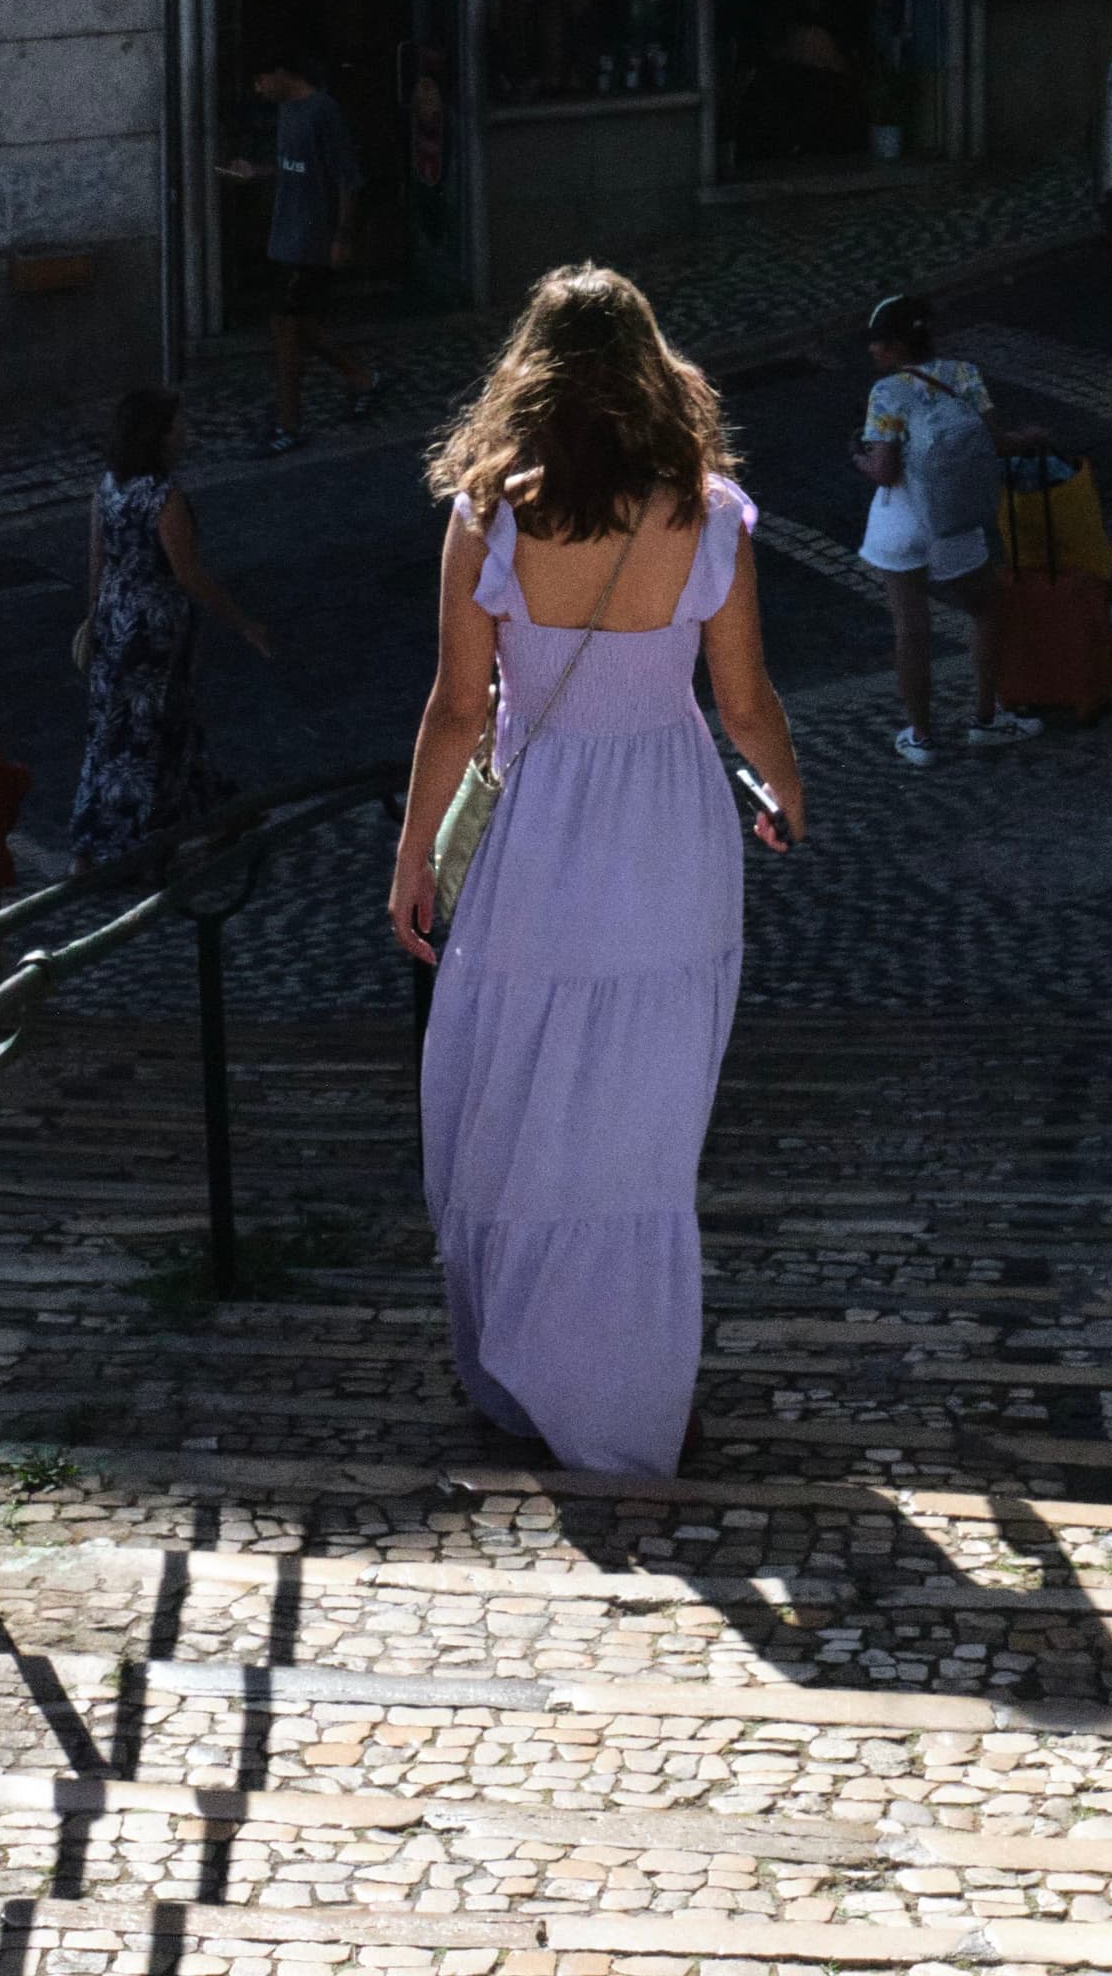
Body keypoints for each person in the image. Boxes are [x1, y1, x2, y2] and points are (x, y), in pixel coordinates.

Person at [388, 263, 805, 1472]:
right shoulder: (710, 514)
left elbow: (457, 709)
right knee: (642, 1124)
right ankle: (634, 1392)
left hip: (538, 829)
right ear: (649, 370)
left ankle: (524, 1372)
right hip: (668, 825)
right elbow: (745, 700)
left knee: (514, 1090)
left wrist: (413, 855)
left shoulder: (486, 516)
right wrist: (788, 789)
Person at [70, 389, 271, 867]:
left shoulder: (107, 490)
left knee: (113, 733)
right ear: (157, 436)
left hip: (115, 624)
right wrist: (243, 623)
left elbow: (97, 564)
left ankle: (106, 837)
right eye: (177, 425)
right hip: (153, 633)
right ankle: (140, 844)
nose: (185, 433)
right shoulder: (163, 498)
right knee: (154, 734)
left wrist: (95, 620)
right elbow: (188, 573)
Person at [854, 292, 1045, 768]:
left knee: (911, 629)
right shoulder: (964, 375)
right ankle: (986, 717)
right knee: (985, 611)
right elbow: (995, 441)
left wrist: (855, 457)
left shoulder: (886, 393)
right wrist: (1029, 439)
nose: (871, 351)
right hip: (954, 521)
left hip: (899, 523)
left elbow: (883, 470)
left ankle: (920, 737)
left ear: (897, 346)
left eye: (877, 343)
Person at [218, 45, 381, 454]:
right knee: (296, 327)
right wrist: (257, 172)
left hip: (311, 239)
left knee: (286, 329)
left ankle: (290, 425)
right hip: (285, 236)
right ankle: (361, 377)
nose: (258, 90)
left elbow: (347, 177)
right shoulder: (286, 113)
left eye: (259, 80)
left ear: (280, 72)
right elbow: (295, 167)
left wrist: (341, 237)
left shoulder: (322, 111)